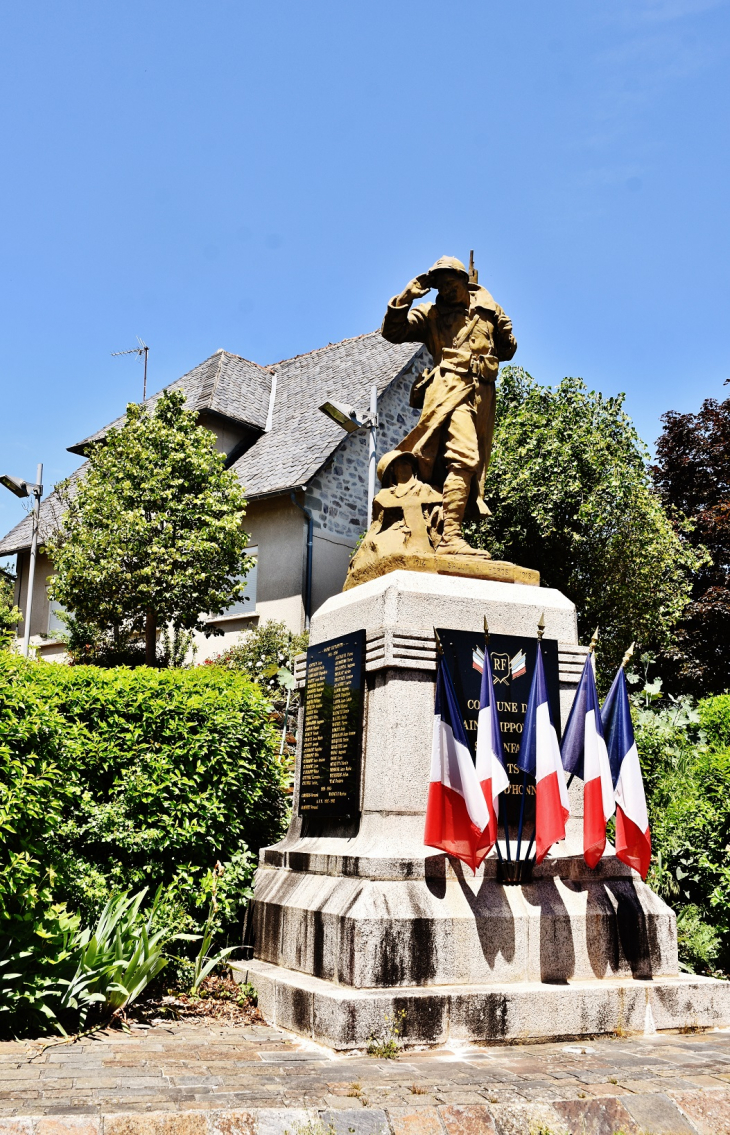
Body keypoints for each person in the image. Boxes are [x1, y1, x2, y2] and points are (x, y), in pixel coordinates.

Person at [381, 255, 517, 555]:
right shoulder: (430, 313)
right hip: (449, 388)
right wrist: (406, 296)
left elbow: (506, 350)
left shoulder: (488, 308)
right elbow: (393, 332)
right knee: (463, 457)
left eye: (451, 283)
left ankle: (444, 528)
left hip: (482, 393)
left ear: (464, 281)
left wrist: (505, 331)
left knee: (472, 465)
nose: (446, 290)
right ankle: (450, 538)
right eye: (440, 286)